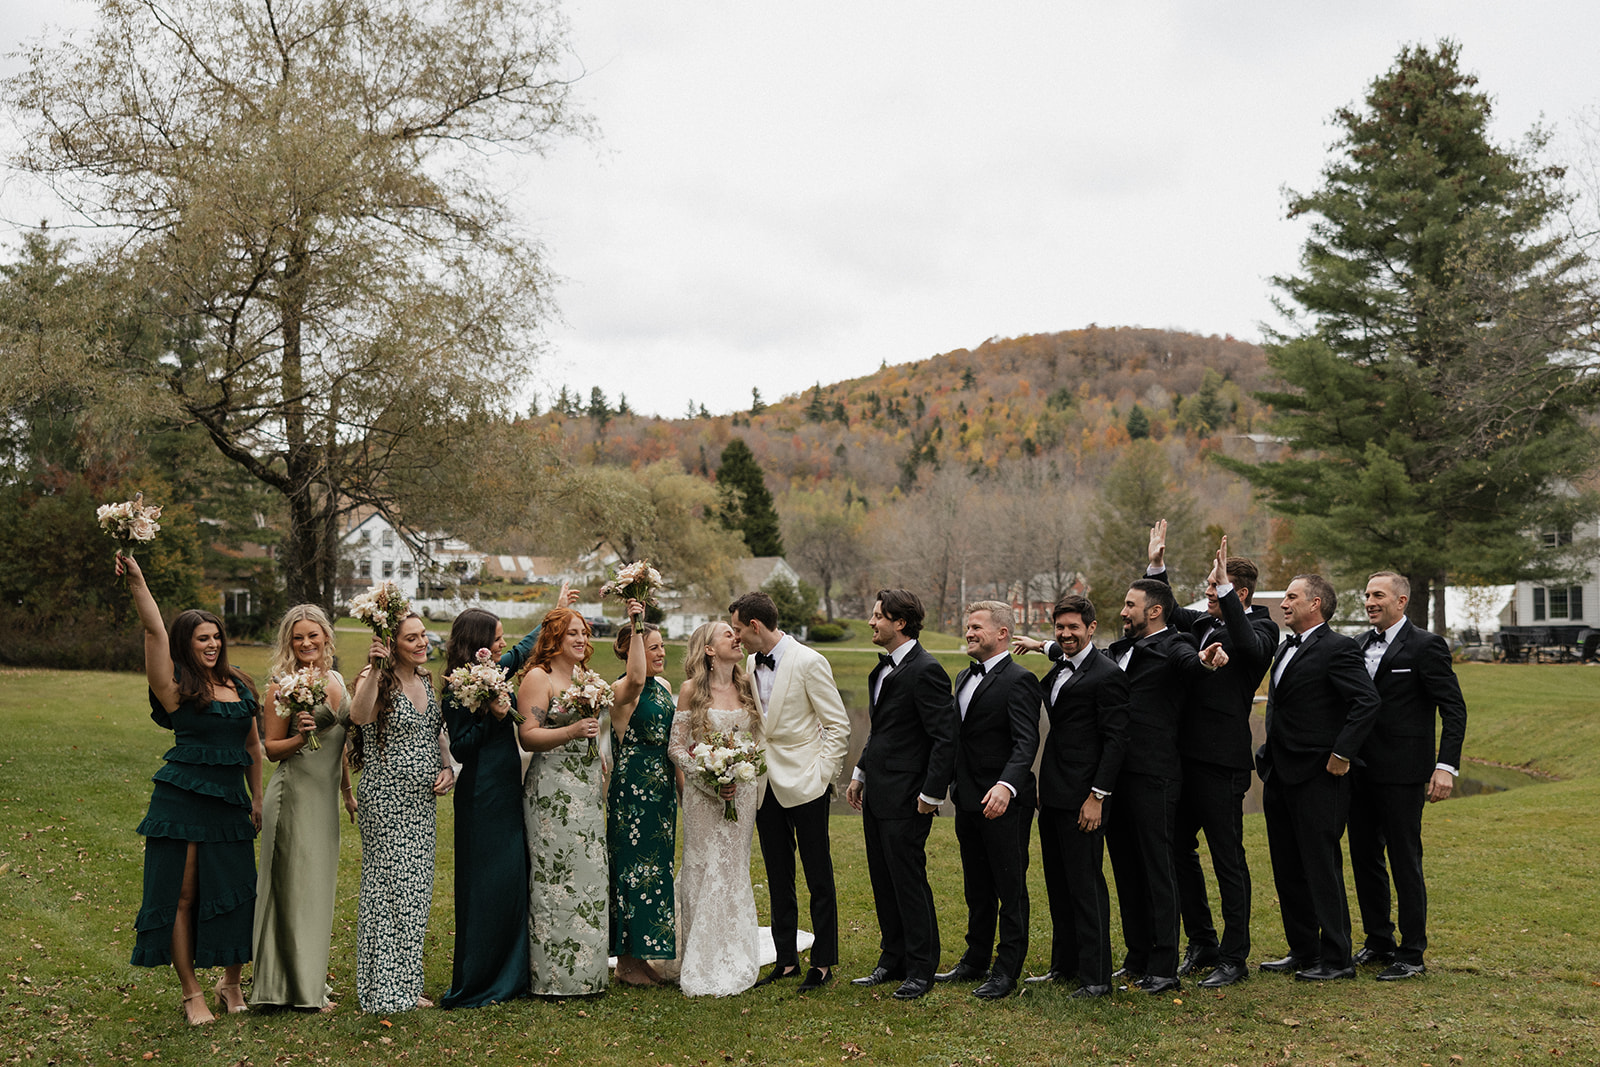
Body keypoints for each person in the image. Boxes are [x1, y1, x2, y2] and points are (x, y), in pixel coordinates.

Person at [118, 554, 263, 1026]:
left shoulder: (240, 682)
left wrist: (256, 797)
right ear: (187, 644)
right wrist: (139, 578)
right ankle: (191, 992)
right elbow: (154, 632)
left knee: (239, 890)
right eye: (203, 638)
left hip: (231, 802)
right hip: (181, 801)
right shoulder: (175, 687)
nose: (213, 644)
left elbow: (254, 746)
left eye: (217, 637)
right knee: (182, 895)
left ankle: (231, 982)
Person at [1144, 526, 1277, 988]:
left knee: (1228, 860)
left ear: (1239, 592)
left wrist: (1226, 593)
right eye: (1208, 587)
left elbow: (1247, 647)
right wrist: (1156, 566)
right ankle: (1201, 943)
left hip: (1222, 764)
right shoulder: (1204, 622)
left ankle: (1234, 956)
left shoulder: (1261, 627)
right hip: (1182, 759)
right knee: (1179, 852)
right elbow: (1171, 612)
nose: (1207, 594)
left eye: (1215, 588)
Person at [1104, 578, 1228, 995]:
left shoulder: (1175, 644)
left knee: (1158, 868)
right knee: (1125, 866)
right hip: (1115, 775)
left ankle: (1163, 965)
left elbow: (1192, 664)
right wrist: (1047, 646)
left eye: (1129, 605)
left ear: (1153, 611)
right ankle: (1136, 955)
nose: (1123, 612)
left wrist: (1207, 661)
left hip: (1153, 773)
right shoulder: (1121, 649)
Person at [1256, 574, 1380, 982]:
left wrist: (1342, 754)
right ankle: (1304, 950)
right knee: (1287, 867)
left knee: (1321, 866)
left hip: (1318, 777)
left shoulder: (1338, 647)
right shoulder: (1286, 647)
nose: (1284, 603)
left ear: (1317, 604)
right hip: (1279, 773)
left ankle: (1338, 958)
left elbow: (1366, 702)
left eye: (1292, 597)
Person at [1347, 571, 1468, 981]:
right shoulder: (1358, 645)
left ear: (1401, 601)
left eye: (1377, 595)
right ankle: (1378, 940)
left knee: (1404, 860)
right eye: (1366, 595)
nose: (1369, 601)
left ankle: (1412, 953)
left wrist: (1445, 766)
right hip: (1357, 770)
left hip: (1402, 773)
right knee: (1364, 858)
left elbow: (1453, 709)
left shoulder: (1426, 646)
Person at [728, 590, 850, 993]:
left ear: (755, 626)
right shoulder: (748, 662)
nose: (736, 636)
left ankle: (823, 961)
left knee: (818, 875)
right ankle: (785, 961)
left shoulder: (810, 661)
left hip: (806, 783)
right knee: (778, 875)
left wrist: (820, 776)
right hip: (764, 784)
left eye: (737, 628)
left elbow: (837, 727)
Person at [845, 589, 958, 1001]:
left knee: (909, 880)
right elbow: (882, 731)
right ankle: (892, 959)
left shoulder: (926, 669)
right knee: (883, 879)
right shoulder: (882, 671)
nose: (872, 622)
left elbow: (944, 737)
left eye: (879, 616)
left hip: (909, 796)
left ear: (901, 623)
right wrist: (859, 772)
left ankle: (921, 968)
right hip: (878, 791)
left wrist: (932, 793)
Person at [1014, 594, 1128, 998]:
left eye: (1073, 628)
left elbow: (1116, 742)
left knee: (1085, 886)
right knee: (1058, 883)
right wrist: (1039, 644)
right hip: (1054, 794)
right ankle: (1064, 966)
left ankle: (1096, 977)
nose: (1065, 634)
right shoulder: (1064, 661)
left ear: (1091, 628)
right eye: (1059, 628)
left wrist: (1097, 796)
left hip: (1085, 799)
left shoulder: (1107, 674)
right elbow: (1060, 652)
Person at [437, 605, 546, 1008]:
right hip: (480, 795)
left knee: (512, 882)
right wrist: (492, 715)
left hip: (506, 787)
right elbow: (462, 746)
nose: (503, 644)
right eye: (496, 638)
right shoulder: (455, 688)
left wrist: (558, 610)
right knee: (484, 887)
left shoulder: (497, 671)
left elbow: (522, 649)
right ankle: (480, 978)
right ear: (478, 645)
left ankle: (512, 974)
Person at [348, 612, 455, 1013]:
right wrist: (375, 669)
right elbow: (358, 718)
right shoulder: (375, 678)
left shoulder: (426, 680)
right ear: (391, 644)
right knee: (389, 889)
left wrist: (447, 768)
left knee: (416, 891)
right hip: (386, 800)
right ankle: (382, 988)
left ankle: (407, 986)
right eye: (411, 638)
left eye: (423, 635)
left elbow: (437, 733)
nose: (421, 643)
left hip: (421, 803)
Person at [935, 601, 1041, 1001]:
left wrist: (1006, 785)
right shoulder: (963, 676)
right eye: (967, 626)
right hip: (967, 799)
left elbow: (1025, 741)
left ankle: (1007, 969)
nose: (968, 632)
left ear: (1002, 634)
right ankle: (975, 958)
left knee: (1009, 885)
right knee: (976, 885)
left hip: (1005, 802)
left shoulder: (1020, 680)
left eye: (976, 626)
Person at [251, 605, 353, 1011]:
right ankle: (291, 988)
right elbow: (272, 749)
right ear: (288, 643)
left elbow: (341, 745)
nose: (307, 643)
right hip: (292, 796)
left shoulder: (337, 680)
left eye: (313, 635)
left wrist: (347, 792)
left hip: (325, 798)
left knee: (316, 891)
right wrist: (300, 736)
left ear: (326, 637)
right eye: (298, 637)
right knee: (292, 890)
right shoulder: (279, 686)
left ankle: (310, 980)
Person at [669, 621, 766, 997]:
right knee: (700, 867)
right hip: (701, 796)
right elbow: (676, 747)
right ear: (709, 649)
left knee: (732, 868)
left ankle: (732, 950)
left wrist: (740, 772)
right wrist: (708, 778)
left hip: (741, 794)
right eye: (728, 634)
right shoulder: (690, 690)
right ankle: (694, 953)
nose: (736, 638)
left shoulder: (748, 687)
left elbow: (757, 742)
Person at [516, 607, 609, 996]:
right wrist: (571, 731)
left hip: (586, 789)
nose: (581, 640)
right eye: (572, 633)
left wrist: (599, 753)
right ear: (554, 636)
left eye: (584, 633)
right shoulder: (539, 677)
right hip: (552, 790)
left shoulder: (585, 678)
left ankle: (590, 976)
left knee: (591, 875)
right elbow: (528, 736)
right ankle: (554, 979)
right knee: (556, 880)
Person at [606, 603, 679, 987]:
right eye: (653, 647)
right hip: (632, 789)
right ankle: (627, 961)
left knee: (656, 870)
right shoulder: (622, 690)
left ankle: (640, 957)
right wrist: (636, 623)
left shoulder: (665, 688)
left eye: (662, 646)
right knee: (634, 871)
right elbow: (636, 679)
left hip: (661, 790)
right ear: (632, 650)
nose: (661, 652)